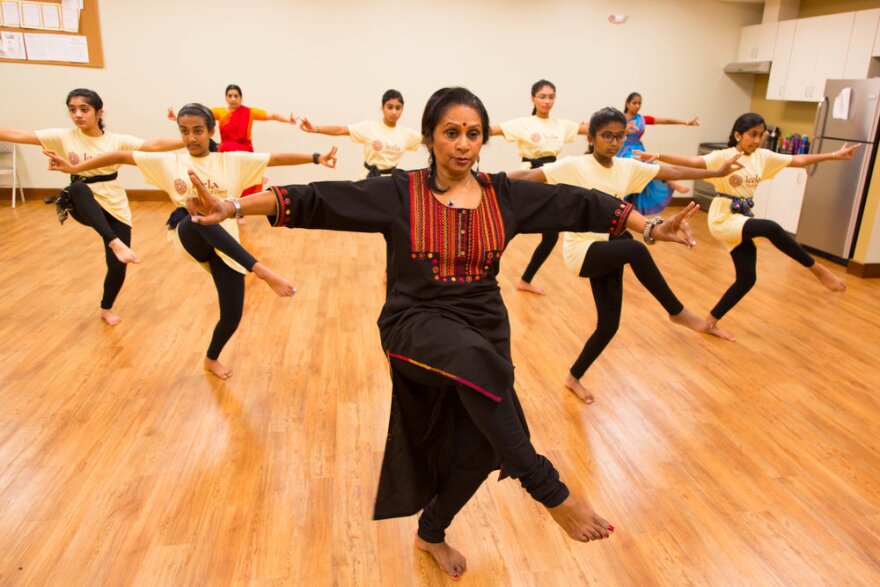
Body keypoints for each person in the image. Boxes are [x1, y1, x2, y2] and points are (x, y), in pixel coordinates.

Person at [186, 87, 703, 580]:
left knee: (482, 443)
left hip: (484, 324)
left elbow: (582, 202)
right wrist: (232, 208)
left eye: (473, 133)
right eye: (451, 132)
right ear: (430, 136)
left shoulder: (504, 196)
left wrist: (649, 228)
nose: (463, 143)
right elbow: (318, 198)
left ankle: (431, 531)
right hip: (414, 321)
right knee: (479, 369)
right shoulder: (399, 193)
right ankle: (549, 489)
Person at [46, 103, 336, 379]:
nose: (191, 137)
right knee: (196, 212)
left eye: (198, 130)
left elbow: (276, 158)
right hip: (188, 233)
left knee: (232, 314)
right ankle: (262, 271)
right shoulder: (169, 162)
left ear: (211, 131)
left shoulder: (231, 160)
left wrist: (316, 158)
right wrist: (73, 170)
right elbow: (121, 156)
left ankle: (211, 358)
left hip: (227, 243)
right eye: (184, 131)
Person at [510, 107, 741, 402]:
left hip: (610, 246)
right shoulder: (574, 166)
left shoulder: (626, 167)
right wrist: (486, 180)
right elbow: (529, 175)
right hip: (582, 250)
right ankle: (678, 313)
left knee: (609, 325)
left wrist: (716, 172)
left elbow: (672, 171)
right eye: (607, 136)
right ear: (592, 137)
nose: (614, 142)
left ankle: (573, 377)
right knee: (634, 246)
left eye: (620, 136)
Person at [635, 112, 852, 339]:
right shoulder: (725, 156)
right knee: (772, 228)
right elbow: (693, 161)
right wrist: (658, 155)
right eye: (752, 135)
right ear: (738, 135)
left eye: (761, 135)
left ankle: (709, 322)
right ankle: (819, 271)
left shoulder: (763, 156)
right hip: (723, 216)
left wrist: (834, 156)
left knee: (747, 278)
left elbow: (798, 160)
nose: (757, 140)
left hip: (743, 216)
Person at [0, 88, 183, 326]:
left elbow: (153, 146)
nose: (77, 115)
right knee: (77, 188)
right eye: (72, 110)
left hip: (113, 202)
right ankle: (114, 241)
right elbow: (15, 133)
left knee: (118, 266)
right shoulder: (63, 136)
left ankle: (106, 308)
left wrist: (190, 138)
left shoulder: (116, 141)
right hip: (82, 203)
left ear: (99, 112)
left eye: (84, 109)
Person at [488, 79, 588, 295]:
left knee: (551, 236)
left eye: (551, 96)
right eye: (542, 96)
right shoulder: (523, 123)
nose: (547, 101)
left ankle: (525, 280)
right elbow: (490, 130)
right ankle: (484, 274)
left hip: (551, 178)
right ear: (533, 98)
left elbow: (589, 129)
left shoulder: (561, 125)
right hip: (529, 179)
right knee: (509, 226)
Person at [167, 84, 298, 196]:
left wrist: (288, 120)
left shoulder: (250, 112)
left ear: (241, 98)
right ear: (226, 98)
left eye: (236, 96)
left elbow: (272, 115)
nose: (233, 99)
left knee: (248, 179)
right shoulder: (220, 112)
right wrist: (177, 116)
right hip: (225, 152)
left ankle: (243, 207)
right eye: (230, 96)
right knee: (227, 181)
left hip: (245, 151)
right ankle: (231, 208)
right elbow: (197, 115)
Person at [298, 89, 422, 179]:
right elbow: (341, 130)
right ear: (382, 108)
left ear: (402, 109)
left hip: (390, 184)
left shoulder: (406, 134)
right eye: (390, 107)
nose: (394, 112)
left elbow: (430, 139)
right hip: (366, 180)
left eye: (398, 108)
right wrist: (315, 128)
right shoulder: (370, 128)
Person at [617, 91, 700, 215]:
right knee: (641, 165)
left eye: (639, 103)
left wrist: (685, 122)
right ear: (627, 104)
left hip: (638, 149)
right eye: (634, 103)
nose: (637, 106)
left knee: (648, 166)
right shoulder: (619, 119)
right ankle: (671, 182)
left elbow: (665, 120)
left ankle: (669, 182)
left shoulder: (642, 119)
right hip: (622, 150)